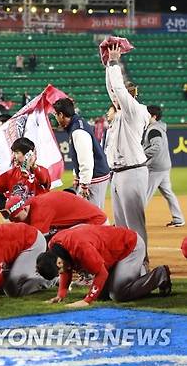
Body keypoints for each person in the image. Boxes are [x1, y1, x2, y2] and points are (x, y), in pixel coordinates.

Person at [37, 225, 171, 307]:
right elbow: (65, 270)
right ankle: (139, 270)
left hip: (130, 247)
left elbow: (101, 273)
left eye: (58, 269)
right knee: (101, 295)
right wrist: (61, 294)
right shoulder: (55, 249)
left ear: (58, 262)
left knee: (118, 294)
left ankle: (160, 274)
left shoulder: (80, 247)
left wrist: (87, 301)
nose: (60, 272)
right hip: (112, 253)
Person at [104, 43, 150, 249]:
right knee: (121, 226)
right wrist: (107, 65)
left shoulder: (135, 111)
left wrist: (114, 62)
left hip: (132, 172)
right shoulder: (122, 112)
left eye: (121, 93)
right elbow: (113, 91)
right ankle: (126, 264)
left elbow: (119, 91)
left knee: (135, 225)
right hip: (119, 173)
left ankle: (142, 266)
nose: (115, 96)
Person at [53, 98, 110, 209]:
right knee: (91, 214)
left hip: (94, 178)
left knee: (92, 215)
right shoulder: (77, 123)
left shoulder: (78, 131)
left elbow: (86, 159)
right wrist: (78, 177)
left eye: (56, 114)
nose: (55, 117)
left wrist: (84, 184)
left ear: (61, 114)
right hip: (94, 176)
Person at [144, 105, 184, 227]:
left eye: (147, 114)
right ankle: (178, 218)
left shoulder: (154, 129)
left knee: (143, 195)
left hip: (156, 167)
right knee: (168, 193)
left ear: (153, 116)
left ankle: (132, 221)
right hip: (164, 165)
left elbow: (157, 147)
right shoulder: (159, 127)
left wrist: (141, 154)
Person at [6, 191, 107, 236]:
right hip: (83, 223)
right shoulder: (29, 205)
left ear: (24, 209)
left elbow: (37, 242)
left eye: (17, 218)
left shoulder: (40, 211)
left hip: (96, 222)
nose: (16, 221)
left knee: (62, 242)